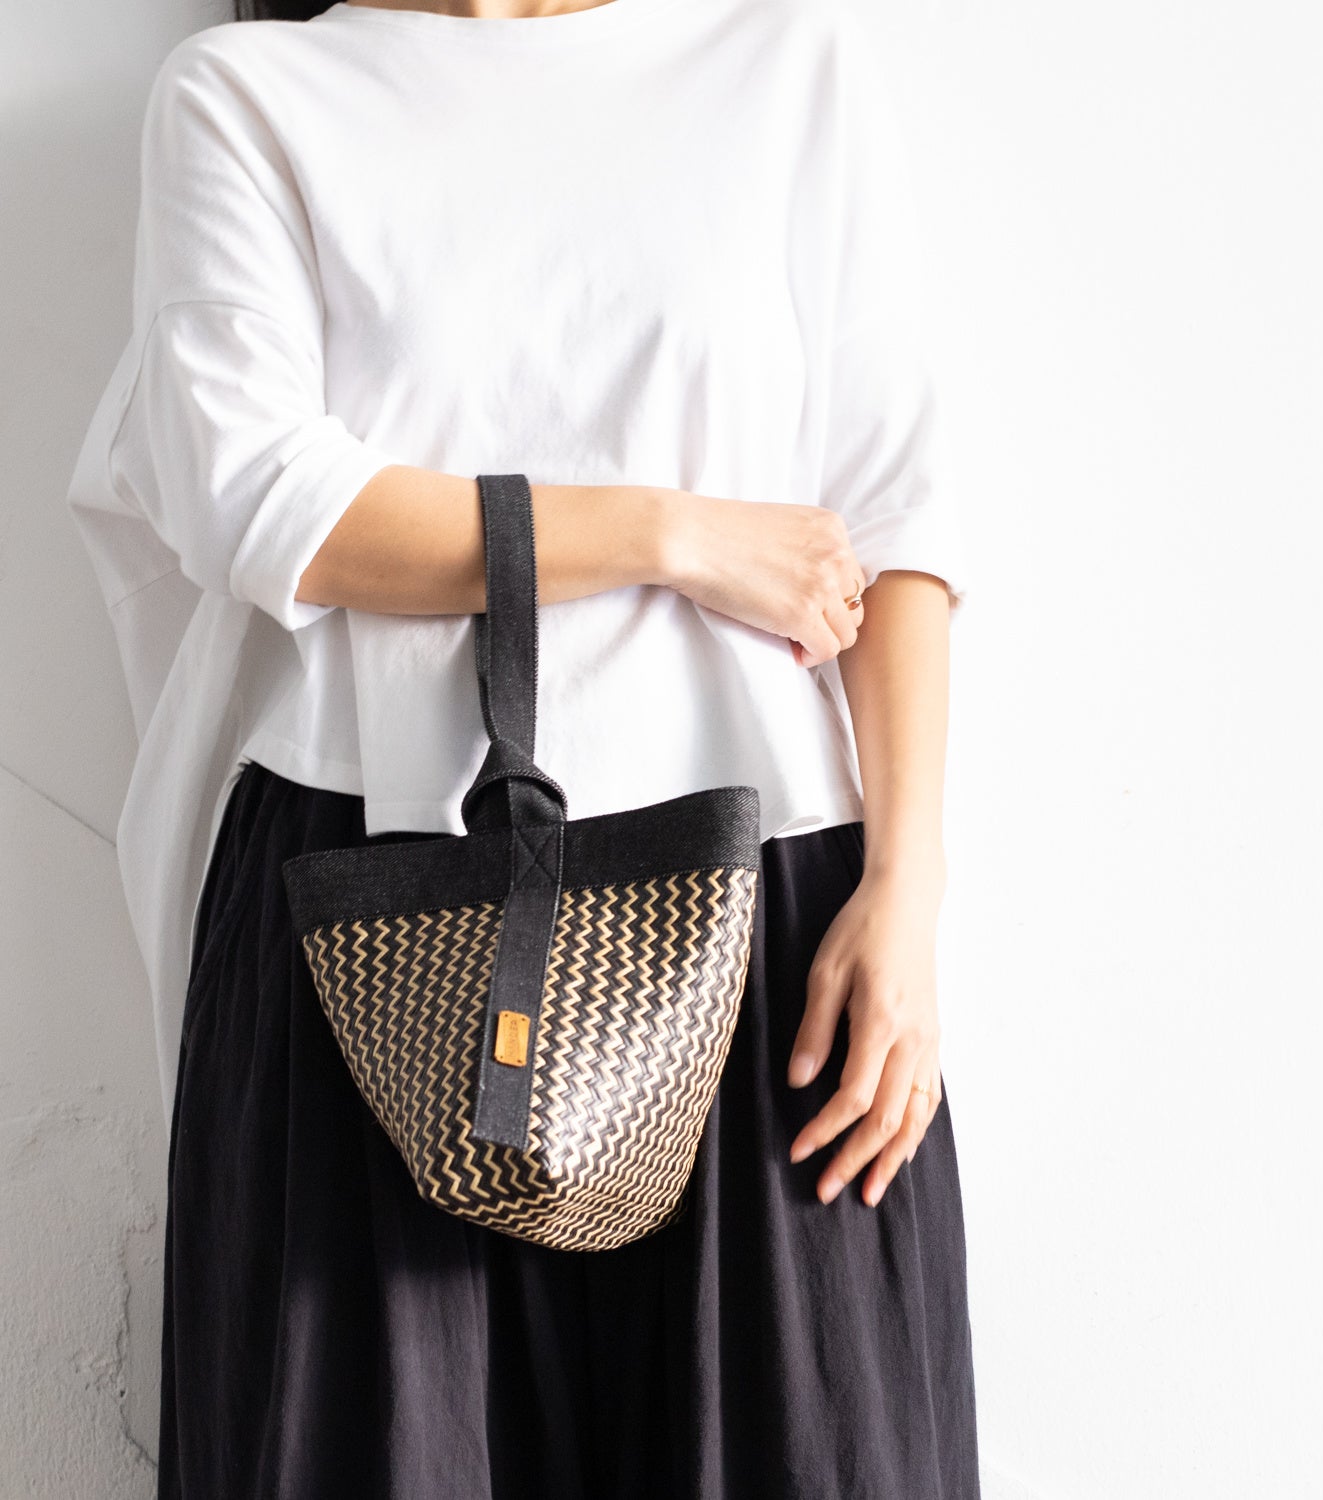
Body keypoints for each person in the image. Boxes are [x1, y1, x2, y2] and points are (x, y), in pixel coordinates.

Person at [65, 0, 982, 1494]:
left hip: (774, 925)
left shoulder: (783, 69)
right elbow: (266, 500)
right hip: (367, 910)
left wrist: (911, 890)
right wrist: (677, 535)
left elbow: (897, 515)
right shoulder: (247, 96)